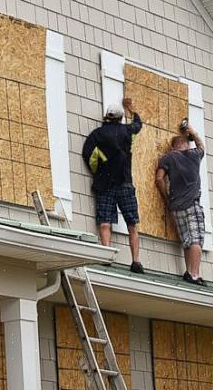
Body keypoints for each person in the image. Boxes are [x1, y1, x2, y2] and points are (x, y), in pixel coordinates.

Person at [82, 97, 145, 273]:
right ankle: (136, 262)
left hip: (105, 184)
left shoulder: (96, 135)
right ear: (120, 118)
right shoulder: (127, 131)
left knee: (105, 222)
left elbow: (88, 155)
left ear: (106, 117)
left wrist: (98, 170)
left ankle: (106, 257)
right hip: (124, 182)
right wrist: (131, 109)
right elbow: (138, 125)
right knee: (132, 223)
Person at [155, 124, 206, 286]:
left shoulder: (168, 157)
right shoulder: (194, 155)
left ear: (173, 146)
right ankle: (194, 274)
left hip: (176, 206)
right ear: (186, 145)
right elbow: (201, 145)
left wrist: (167, 197)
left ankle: (188, 272)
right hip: (192, 204)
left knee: (186, 240)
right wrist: (193, 132)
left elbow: (159, 179)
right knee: (196, 240)